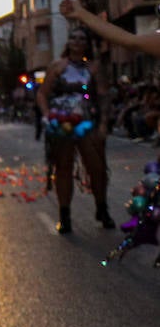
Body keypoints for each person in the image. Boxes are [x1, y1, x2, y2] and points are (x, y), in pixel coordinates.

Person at [37, 24, 113, 234]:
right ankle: (65, 216)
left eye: (82, 38)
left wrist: (104, 123)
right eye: (74, 38)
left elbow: (104, 96)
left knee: (97, 168)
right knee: (63, 168)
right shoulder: (57, 66)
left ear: (86, 44)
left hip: (88, 122)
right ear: (68, 42)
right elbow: (42, 94)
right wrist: (46, 116)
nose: (77, 42)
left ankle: (102, 208)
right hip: (62, 124)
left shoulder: (94, 68)